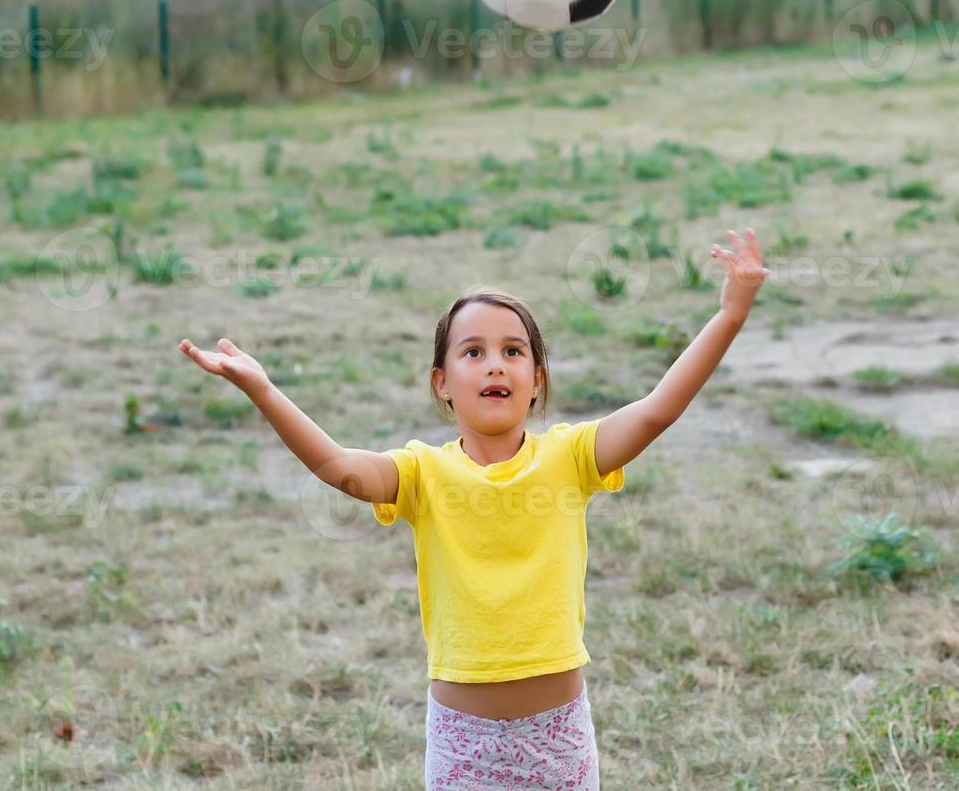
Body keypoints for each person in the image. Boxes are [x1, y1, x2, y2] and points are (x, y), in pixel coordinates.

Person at [179, 228, 771, 788]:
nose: (495, 363)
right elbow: (338, 468)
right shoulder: (421, 473)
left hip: (557, 736)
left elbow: (656, 411)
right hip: (463, 743)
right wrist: (262, 387)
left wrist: (730, 315)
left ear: (536, 379)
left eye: (513, 351)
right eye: (473, 351)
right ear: (442, 381)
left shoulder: (572, 456)